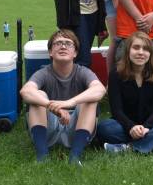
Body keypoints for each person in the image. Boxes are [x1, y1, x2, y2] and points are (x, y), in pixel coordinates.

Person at [20, 29, 106, 165]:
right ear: (50, 52)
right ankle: (42, 156)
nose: (63, 46)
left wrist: (69, 102)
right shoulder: (43, 72)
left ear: (75, 53)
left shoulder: (83, 72)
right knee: (38, 95)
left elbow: (100, 89)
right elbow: (26, 91)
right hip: (49, 130)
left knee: (89, 99)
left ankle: (75, 156)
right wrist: (52, 106)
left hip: (77, 129)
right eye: (58, 43)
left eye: (68, 44)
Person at [99, 31, 153, 154]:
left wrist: (146, 128)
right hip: (126, 126)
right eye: (136, 48)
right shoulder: (116, 74)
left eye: (145, 49)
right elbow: (117, 110)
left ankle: (129, 148)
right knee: (104, 128)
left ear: (150, 53)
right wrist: (131, 127)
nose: (141, 52)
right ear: (128, 51)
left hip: (152, 125)